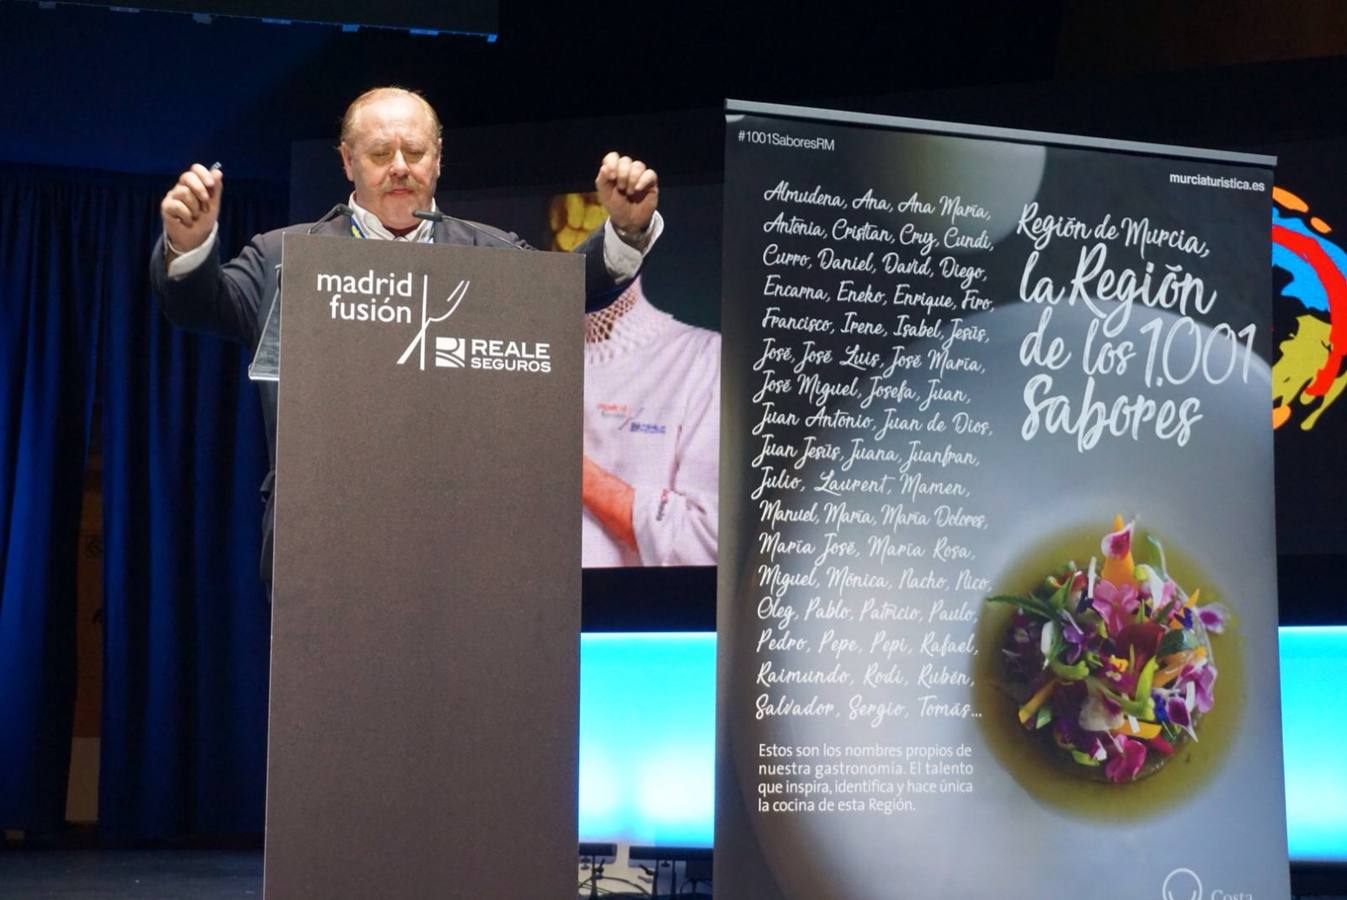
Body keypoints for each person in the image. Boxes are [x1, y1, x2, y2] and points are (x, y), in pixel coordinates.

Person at [152, 86, 662, 588]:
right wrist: (188, 246)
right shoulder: (283, 255)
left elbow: (570, 296)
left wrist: (625, 232)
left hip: (463, 552)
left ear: (437, 160)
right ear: (348, 162)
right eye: (379, 153)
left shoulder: (494, 255)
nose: (400, 166)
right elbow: (200, 305)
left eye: (415, 152)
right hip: (320, 551)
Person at [581, 276, 719, 567]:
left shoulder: (704, 356)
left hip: (636, 607)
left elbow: (704, 543)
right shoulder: (524, 358)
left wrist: (572, 469)